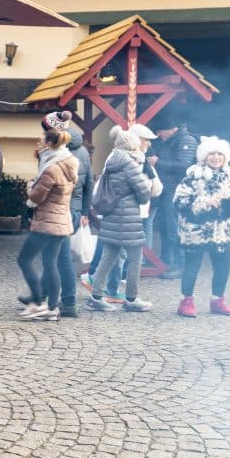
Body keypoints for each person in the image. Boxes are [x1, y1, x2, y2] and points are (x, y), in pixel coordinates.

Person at [174, 136, 230, 317]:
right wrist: (203, 202)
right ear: (204, 156)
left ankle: (217, 301)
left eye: (220, 154)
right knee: (192, 266)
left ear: (225, 157)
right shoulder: (192, 176)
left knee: (222, 266)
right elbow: (179, 201)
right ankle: (185, 301)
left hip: (221, 230)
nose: (216, 157)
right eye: (211, 153)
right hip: (195, 229)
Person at [87, 127, 154, 313]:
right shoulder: (130, 165)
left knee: (108, 257)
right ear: (131, 145)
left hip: (111, 216)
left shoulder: (112, 161)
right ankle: (131, 299)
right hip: (128, 217)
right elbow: (144, 195)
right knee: (135, 257)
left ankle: (96, 297)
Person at [17, 127, 79, 321]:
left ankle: (38, 304)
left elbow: (37, 195)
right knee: (50, 264)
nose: (39, 144)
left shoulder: (52, 168)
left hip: (48, 222)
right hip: (62, 221)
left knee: (24, 259)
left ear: (50, 144)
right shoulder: (68, 162)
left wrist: (29, 184)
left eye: (42, 141)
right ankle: (52, 307)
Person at [42, 112, 93, 318]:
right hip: (73, 210)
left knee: (57, 258)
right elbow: (89, 183)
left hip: (56, 210)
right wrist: (84, 211)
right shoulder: (82, 151)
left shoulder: (53, 152)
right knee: (58, 257)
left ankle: (65, 302)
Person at [149, 112, 197, 278]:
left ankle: (180, 265)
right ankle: (166, 261)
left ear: (170, 129)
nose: (157, 135)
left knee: (174, 227)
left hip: (177, 190)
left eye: (160, 131)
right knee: (164, 226)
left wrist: (157, 163)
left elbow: (184, 165)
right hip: (166, 189)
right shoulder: (167, 140)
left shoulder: (186, 140)